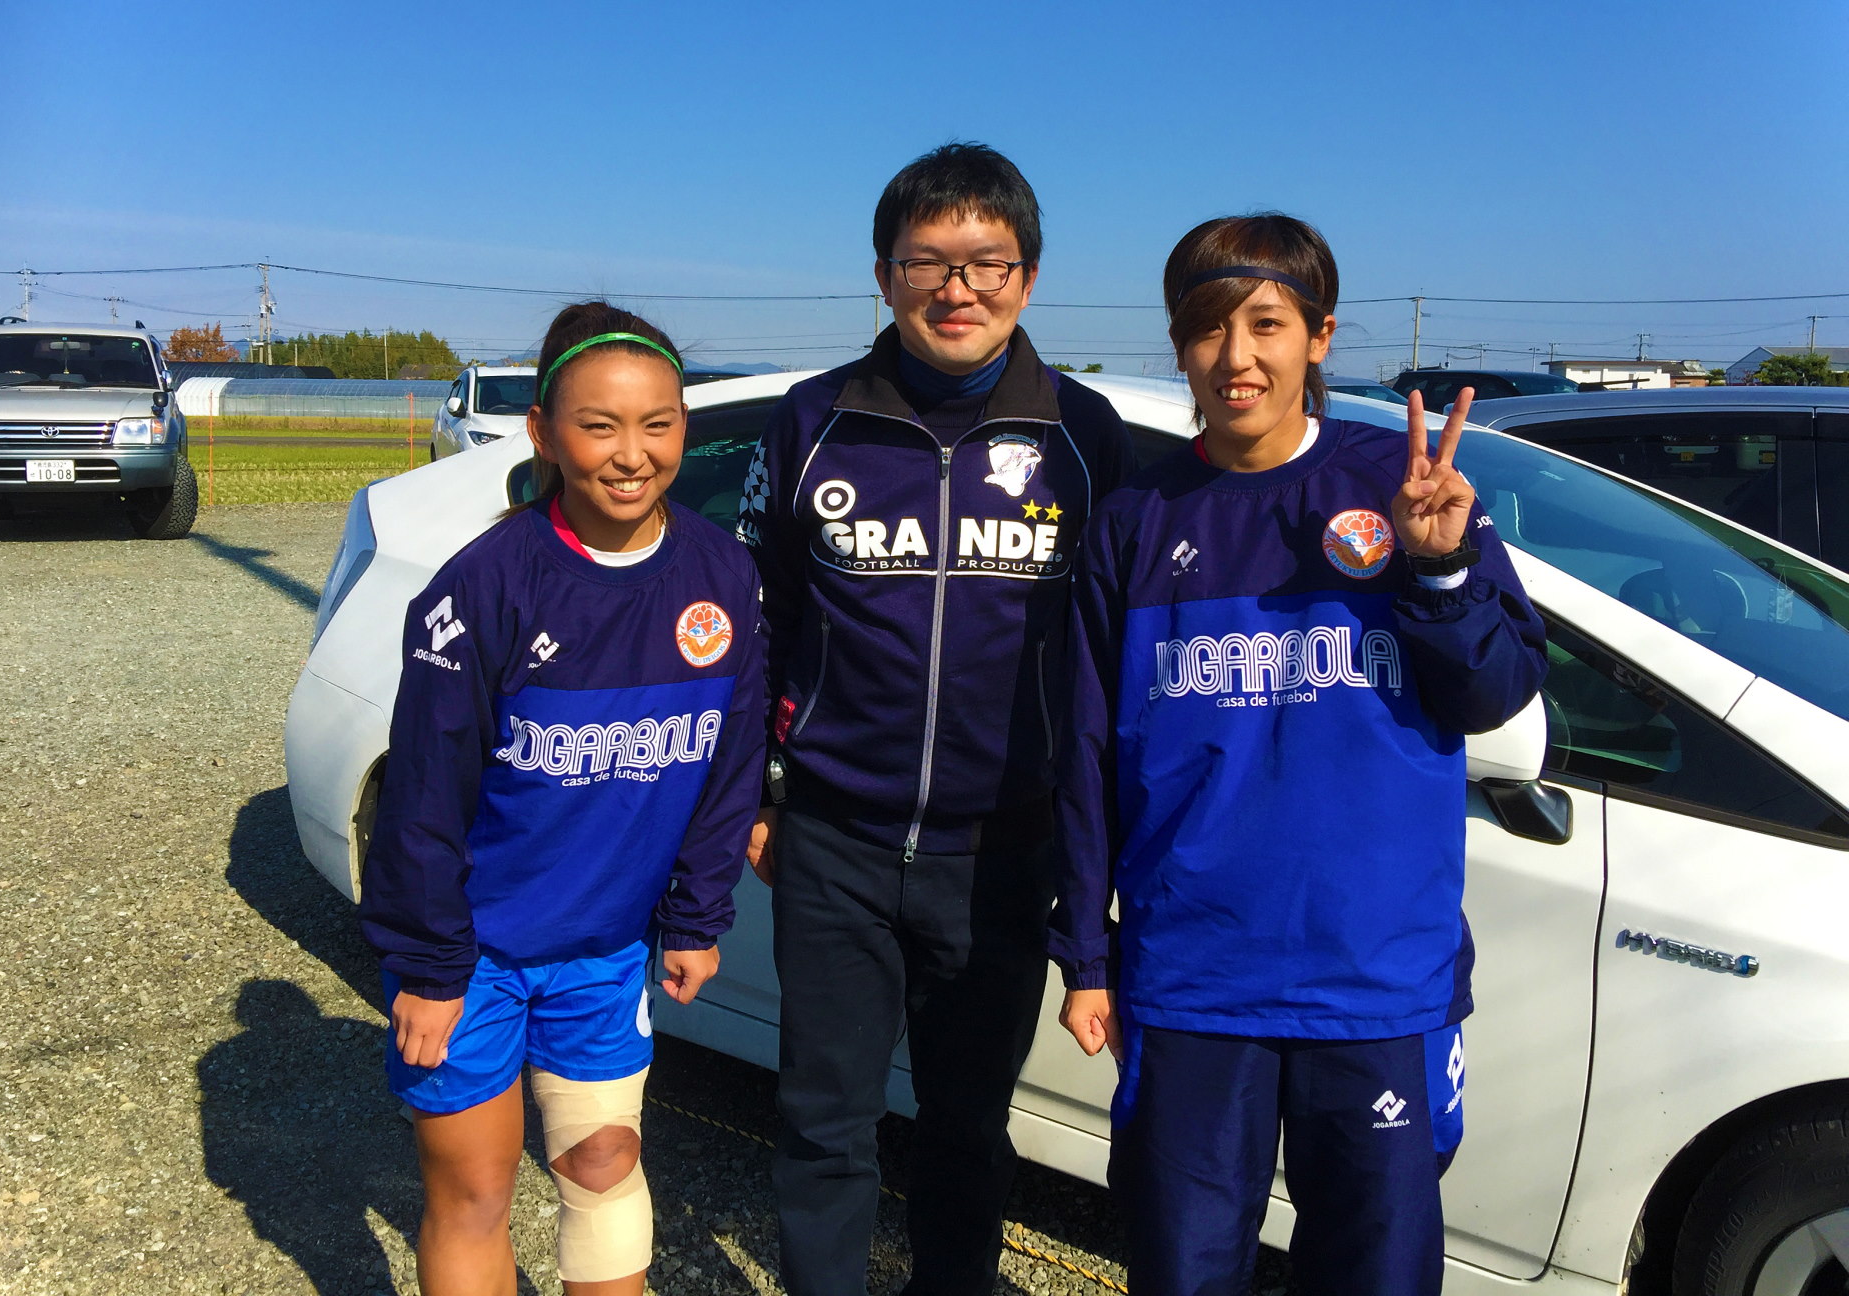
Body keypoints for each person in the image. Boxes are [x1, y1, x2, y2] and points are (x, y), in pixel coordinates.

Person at [1048, 214, 1548, 1296]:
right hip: (1193, 979)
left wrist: (1439, 570)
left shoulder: (1402, 487)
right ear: (1178, 344)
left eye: (1267, 324)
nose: (1237, 358)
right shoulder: (1136, 521)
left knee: (1375, 1271)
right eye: (1207, 328)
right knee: (1182, 1270)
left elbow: (1496, 690)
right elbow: (1084, 755)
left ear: (1319, 335)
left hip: (1375, 977)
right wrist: (1086, 950)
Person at [736, 142, 1133, 1296]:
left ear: (1028, 278)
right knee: (823, 1123)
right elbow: (762, 624)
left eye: (987, 262)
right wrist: (759, 793)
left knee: (966, 1129)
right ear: (884, 275)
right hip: (834, 845)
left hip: (1001, 853)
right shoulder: (813, 422)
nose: (957, 289)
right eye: (927, 261)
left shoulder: (1084, 434)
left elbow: (1117, 654)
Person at [359, 302, 767, 1296]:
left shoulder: (722, 572)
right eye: (599, 425)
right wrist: (431, 967)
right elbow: (421, 796)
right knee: (475, 1194)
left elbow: (731, 765)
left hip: (604, 953)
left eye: (658, 424)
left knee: (604, 1168)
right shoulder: (485, 584)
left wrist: (697, 917)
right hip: (473, 958)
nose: (632, 454)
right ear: (543, 432)